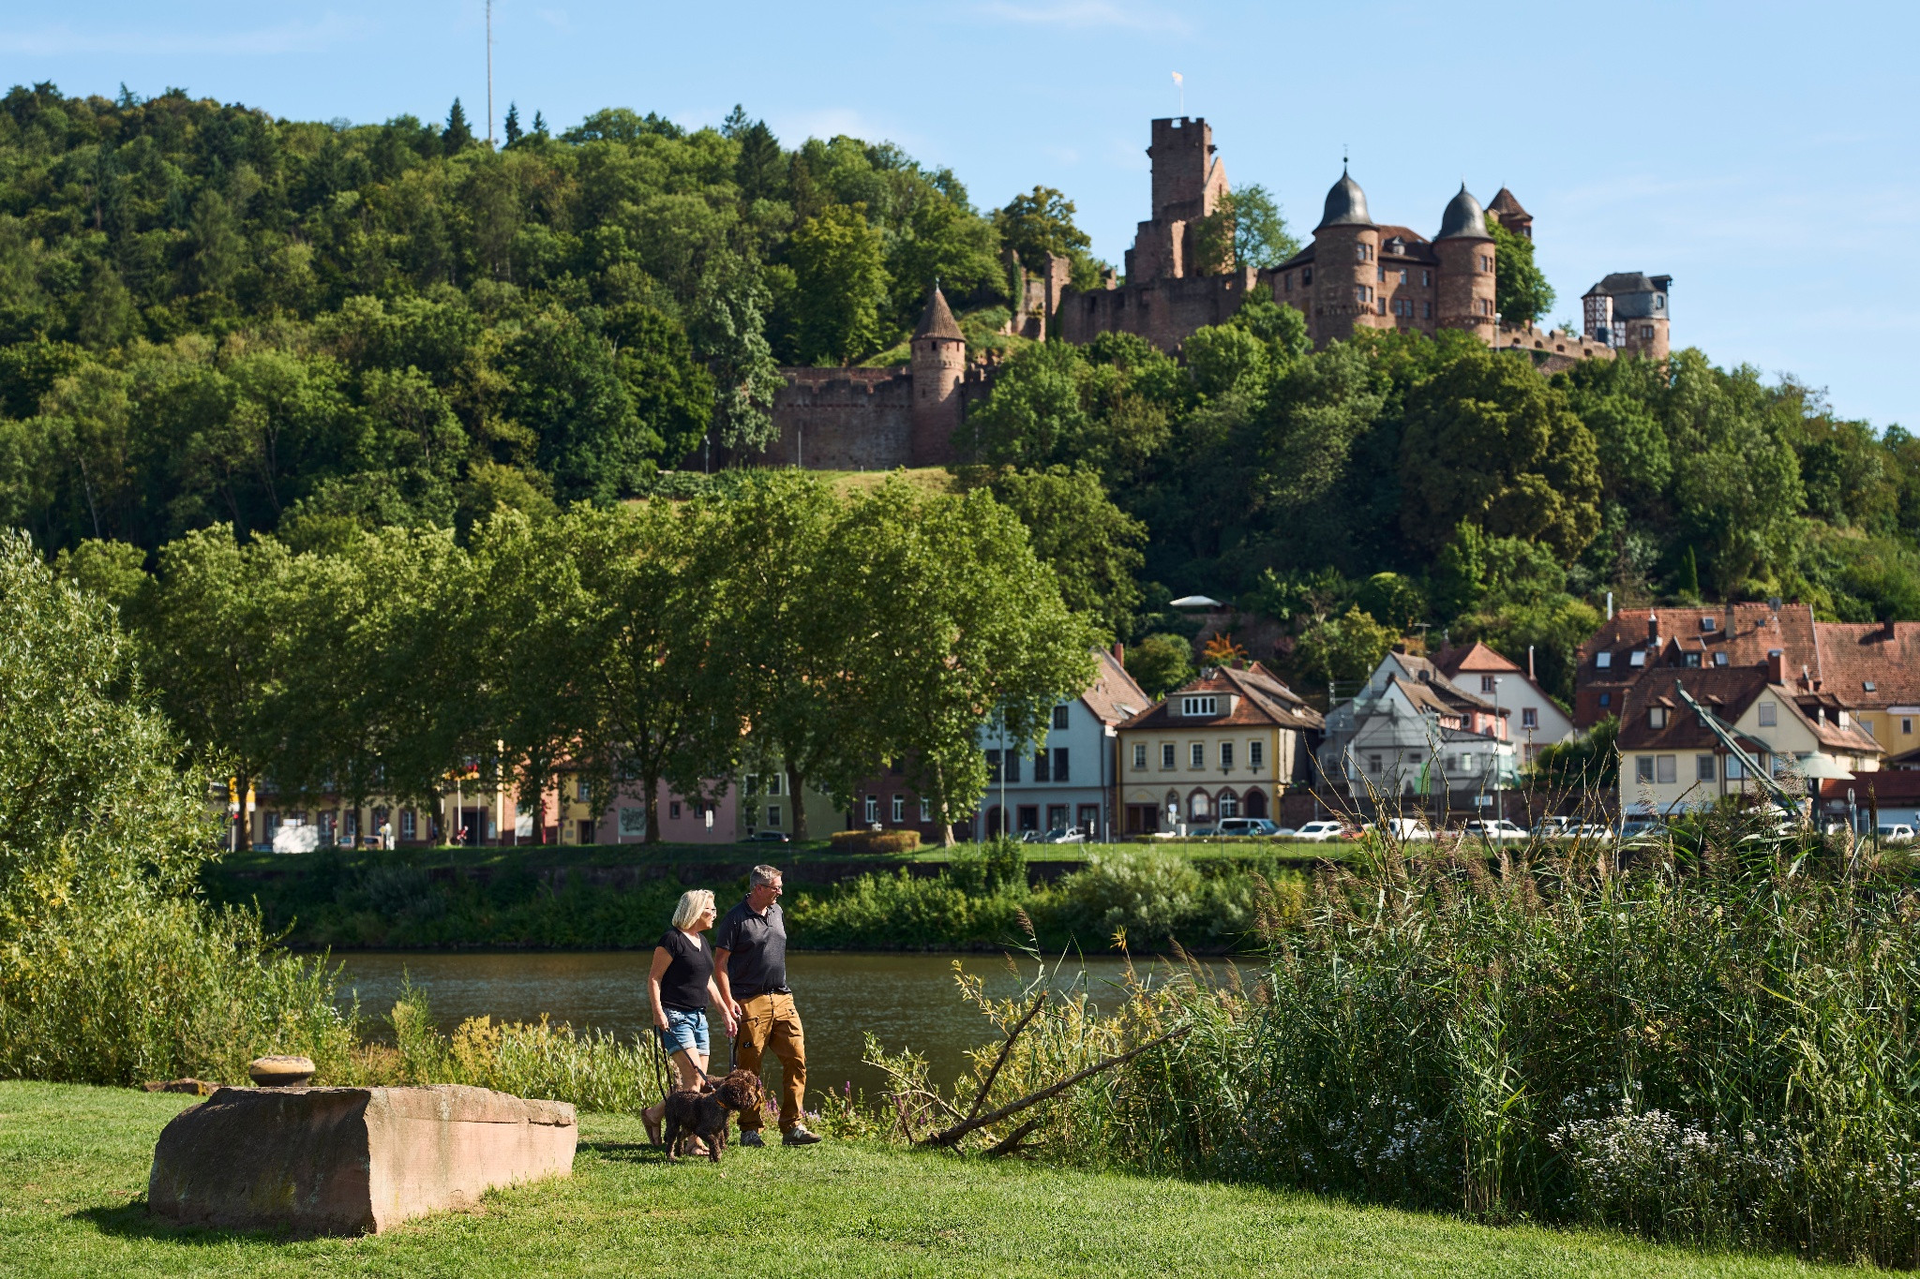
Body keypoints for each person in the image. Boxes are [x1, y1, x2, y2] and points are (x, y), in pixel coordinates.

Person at [714, 864, 819, 1146]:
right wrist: (729, 1001)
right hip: (749, 1001)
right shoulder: (735, 918)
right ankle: (750, 1129)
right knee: (749, 1070)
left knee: (797, 1060)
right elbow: (720, 964)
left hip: (783, 998)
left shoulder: (777, 911)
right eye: (776, 888)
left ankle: (792, 1127)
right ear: (759, 888)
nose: (780, 892)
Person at [642, 889, 738, 1148]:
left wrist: (725, 1013)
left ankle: (654, 1115)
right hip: (675, 1016)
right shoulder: (671, 940)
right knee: (695, 1079)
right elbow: (654, 978)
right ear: (696, 911)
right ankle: (694, 1142)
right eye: (710, 909)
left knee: (698, 1083)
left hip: (699, 1018)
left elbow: (707, 981)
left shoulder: (701, 941)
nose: (715, 914)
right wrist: (658, 1012)